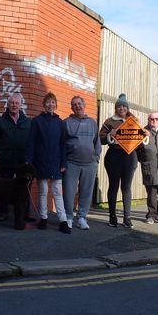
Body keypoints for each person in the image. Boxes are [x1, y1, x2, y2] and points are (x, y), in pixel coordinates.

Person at [25, 92, 70, 234]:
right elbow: (31, 143)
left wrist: (64, 163)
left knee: (57, 192)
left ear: (55, 105)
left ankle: (63, 221)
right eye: (48, 102)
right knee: (43, 191)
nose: (50, 105)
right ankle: (43, 218)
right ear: (43, 105)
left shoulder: (60, 123)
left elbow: (63, 145)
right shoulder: (36, 121)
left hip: (56, 162)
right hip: (41, 161)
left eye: (53, 102)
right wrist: (29, 162)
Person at [99, 93, 141, 228]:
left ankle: (127, 218)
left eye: (124, 106)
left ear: (127, 108)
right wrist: (110, 135)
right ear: (115, 108)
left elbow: (139, 142)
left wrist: (145, 135)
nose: (121, 108)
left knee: (126, 187)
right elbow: (100, 139)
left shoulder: (134, 121)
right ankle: (112, 216)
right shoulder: (109, 121)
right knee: (113, 186)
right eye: (119, 106)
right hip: (113, 157)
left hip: (129, 157)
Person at [62, 95, 101, 230]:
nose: (77, 106)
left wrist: (96, 158)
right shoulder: (66, 122)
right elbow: (61, 143)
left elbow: (97, 142)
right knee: (69, 191)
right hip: (71, 163)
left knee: (86, 191)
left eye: (79, 104)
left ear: (84, 105)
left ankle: (82, 218)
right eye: (74, 104)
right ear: (71, 107)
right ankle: (68, 217)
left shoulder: (92, 122)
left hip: (89, 164)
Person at [0, 92, 33, 222]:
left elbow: (32, 142)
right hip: (6, 161)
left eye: (16, 103)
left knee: (25, 189)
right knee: (5, 188)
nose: (14, 105)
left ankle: (26, 213)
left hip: (23, 162)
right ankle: (3, 212)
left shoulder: (28, 122)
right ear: (8, 104)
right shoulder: (0, 121)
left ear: (20, 105)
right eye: (11, 103)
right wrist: (0, 153)